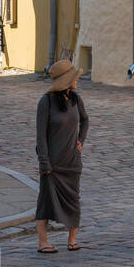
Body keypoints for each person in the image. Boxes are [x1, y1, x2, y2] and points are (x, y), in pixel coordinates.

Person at [35, 59, 88, 253]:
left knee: (73, 199)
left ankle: (72, 239)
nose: (77, 81)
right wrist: (44, 162)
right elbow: (40, 136)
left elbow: (85, 120)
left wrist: (81, 139)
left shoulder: (76, 99)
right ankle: (43, 242)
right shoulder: (46, 102)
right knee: (45, 201)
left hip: (72, 160)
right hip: (52, 163)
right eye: (75, 78)